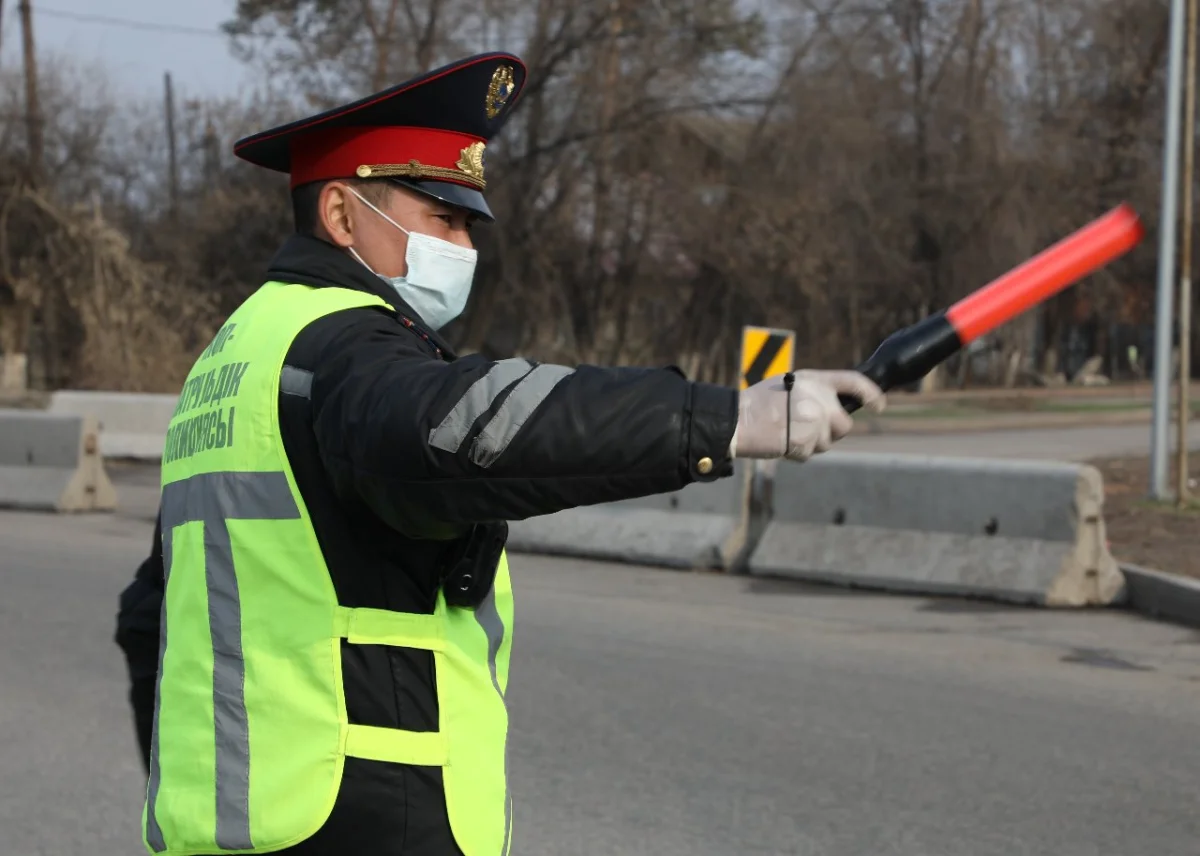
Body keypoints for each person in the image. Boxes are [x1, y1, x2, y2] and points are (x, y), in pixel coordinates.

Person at [114, 52, 885, 856]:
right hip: (365, 809)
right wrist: (726, 419)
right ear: (342, 217)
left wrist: (198, 792)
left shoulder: (239, 354)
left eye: (468, 226)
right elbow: (461, 430)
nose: (463, 245)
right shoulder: (346, 350)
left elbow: (151, 615)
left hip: (229, 824)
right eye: (440, 219)